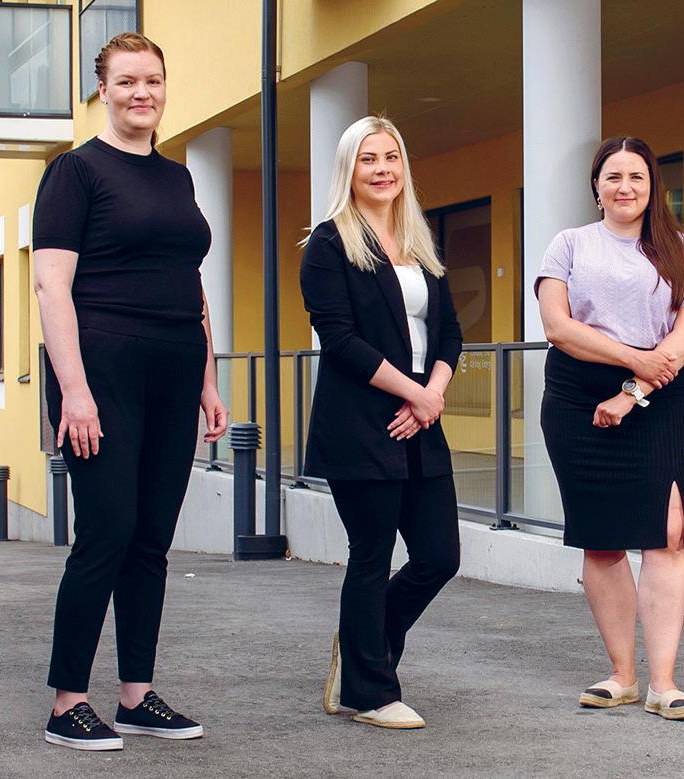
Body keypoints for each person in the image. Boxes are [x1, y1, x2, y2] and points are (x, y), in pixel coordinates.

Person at [33, 32, 219, 751]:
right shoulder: (75, 172)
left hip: (175, 368)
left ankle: (136, 695)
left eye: (153, 81)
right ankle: (67, 702)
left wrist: (207, 378)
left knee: (150, 539)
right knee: (106, 532)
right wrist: (74, 392)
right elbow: (51, 287)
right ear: (103, 91)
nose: (142, 93)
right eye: (127, 81)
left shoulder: (177, 178)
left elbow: (191, 285)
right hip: (103, 370)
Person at [535, 136, 684, 721]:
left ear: (652, 184)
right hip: (577, 397)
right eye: (613, 176)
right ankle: (623, 676)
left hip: (659, 396)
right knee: (603, 538)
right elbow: (558, 327)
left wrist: (633, 390)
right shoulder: (569, 244)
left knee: (668, 531)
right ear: (596, 186)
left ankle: (665, 683)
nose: (625, 187)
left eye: (636, 176)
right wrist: (632, 360)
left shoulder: (681, 248)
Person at [301, 115, 465, 728]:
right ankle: (370, 693)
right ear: (349, 170)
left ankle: (360, 648)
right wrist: (414, 393)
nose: (382, 169)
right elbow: (339, 340)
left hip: (422, 416)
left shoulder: (419, 241)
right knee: (371, 554)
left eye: (391, 157)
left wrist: (432, 394)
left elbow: (450, 332)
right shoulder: (328, 244)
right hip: (361, 420)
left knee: (439, 556)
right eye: (368, 159)